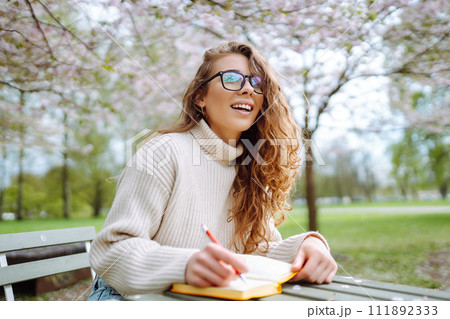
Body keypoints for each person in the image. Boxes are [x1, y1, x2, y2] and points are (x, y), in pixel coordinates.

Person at [88, 41, 337, 301]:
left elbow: (253, 252)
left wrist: (307, 245)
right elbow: (111, 252)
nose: (247, 89)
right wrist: (185, 265)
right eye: (231, 78)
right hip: (127, 299)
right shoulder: (162, 152)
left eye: (256, 82)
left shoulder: (252, 165)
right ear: (200, 97)